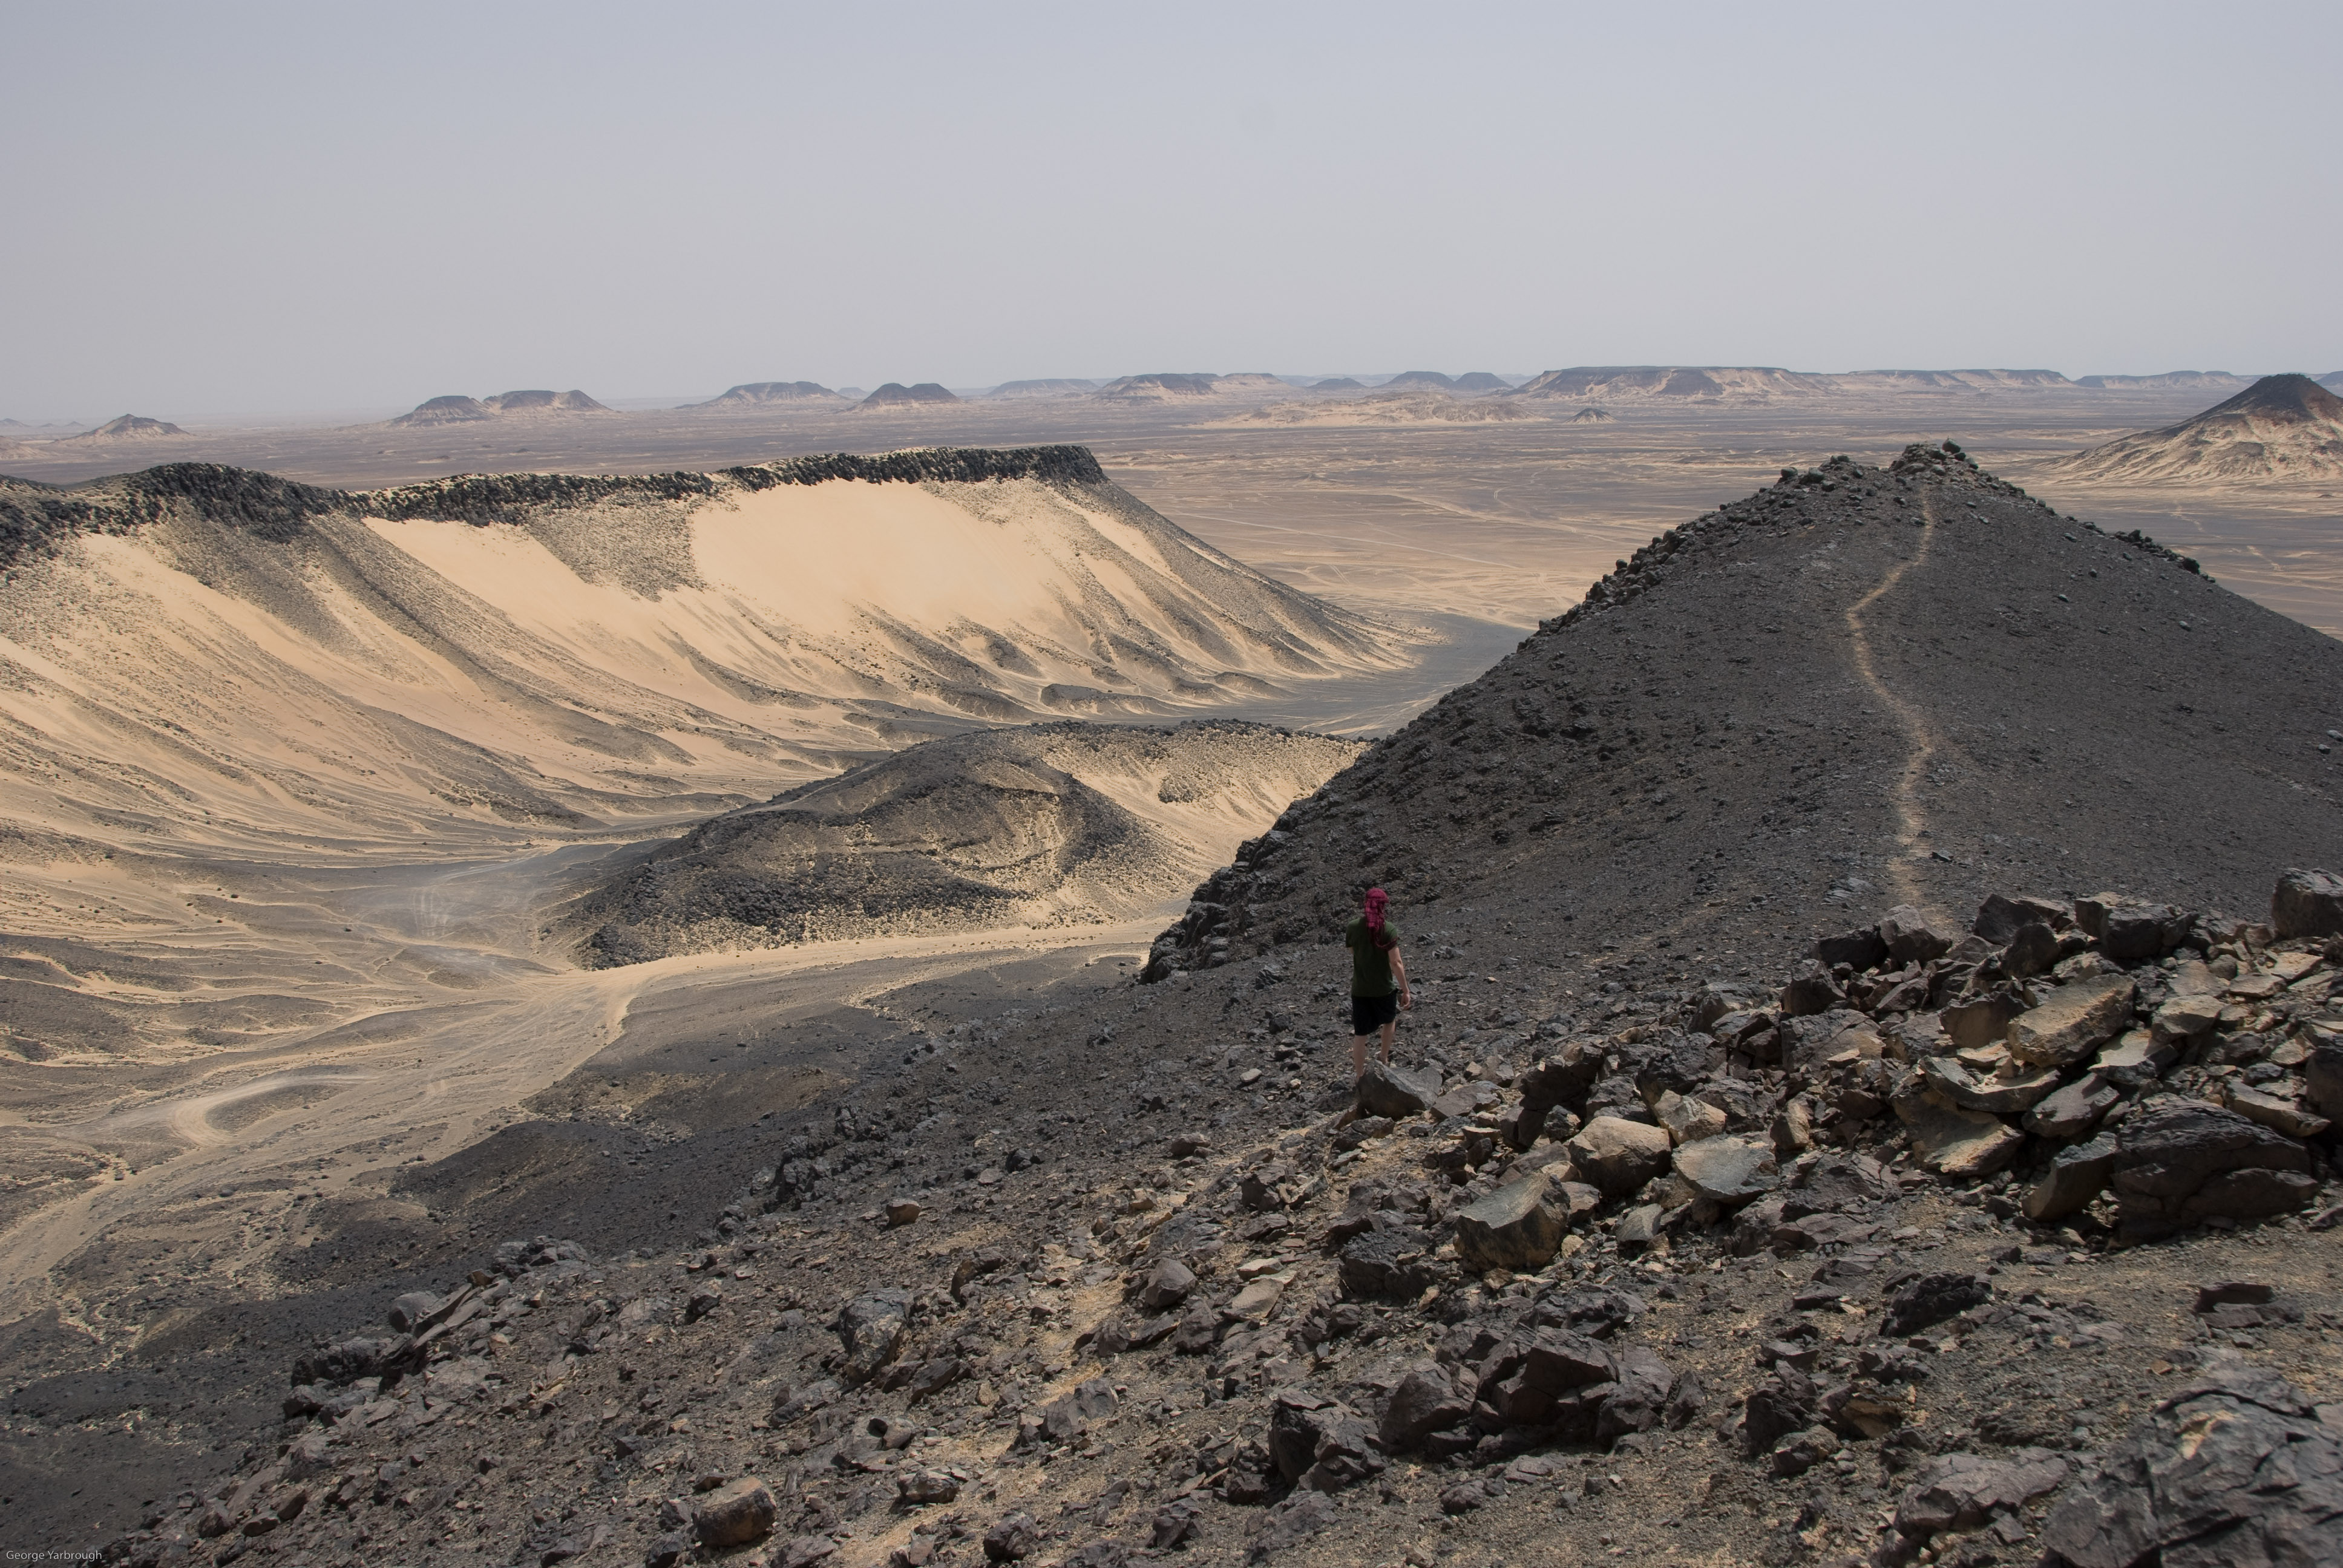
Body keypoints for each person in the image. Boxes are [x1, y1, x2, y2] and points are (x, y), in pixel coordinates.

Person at [1345, 886, 1411, 1079]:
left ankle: (1359, 1075)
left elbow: (1352, 951)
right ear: (1382, 906)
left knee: (1360, 1033)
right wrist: (1405, 990)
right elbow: (1396, 962)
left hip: (1360, 989)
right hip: (1383, 989)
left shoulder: (1353, 927)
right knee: (1389, 1021)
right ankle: (1383, 1058)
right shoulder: (1388, 929)